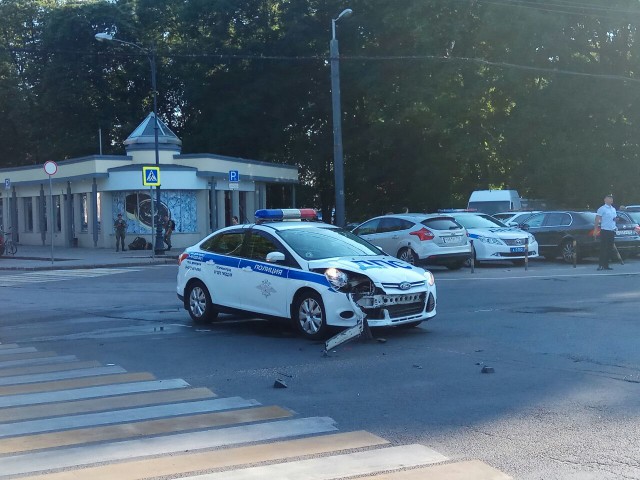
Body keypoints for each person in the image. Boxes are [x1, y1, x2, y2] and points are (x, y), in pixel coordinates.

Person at [595, 194, 617, 271]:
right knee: (603, 249)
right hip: (605, 231)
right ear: (605, 200)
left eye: (611, 198)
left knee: (609, 249)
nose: (611, 200)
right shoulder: (602, 209)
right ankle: (600, 265)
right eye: (609, 198)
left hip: (611, 231)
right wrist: (595, 230)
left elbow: (613, 219)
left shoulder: (613, 209)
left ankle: (606, 265)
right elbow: (597, 219)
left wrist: (615, 221)